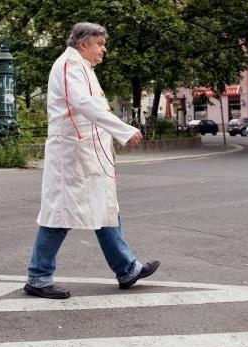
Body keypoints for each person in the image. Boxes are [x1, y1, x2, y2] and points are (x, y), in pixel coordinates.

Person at [24, 22, 160, 299]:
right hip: (71, 155)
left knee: (105, 208)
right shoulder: (68, 66)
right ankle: (38, 276)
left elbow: (91, 107)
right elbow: (84, 105)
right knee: (61, 212)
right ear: (83, 44)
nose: (104, 49)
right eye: (99, 44)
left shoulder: (81, 67)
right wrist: (124, 130)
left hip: (86, 153)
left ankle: (126, 268)